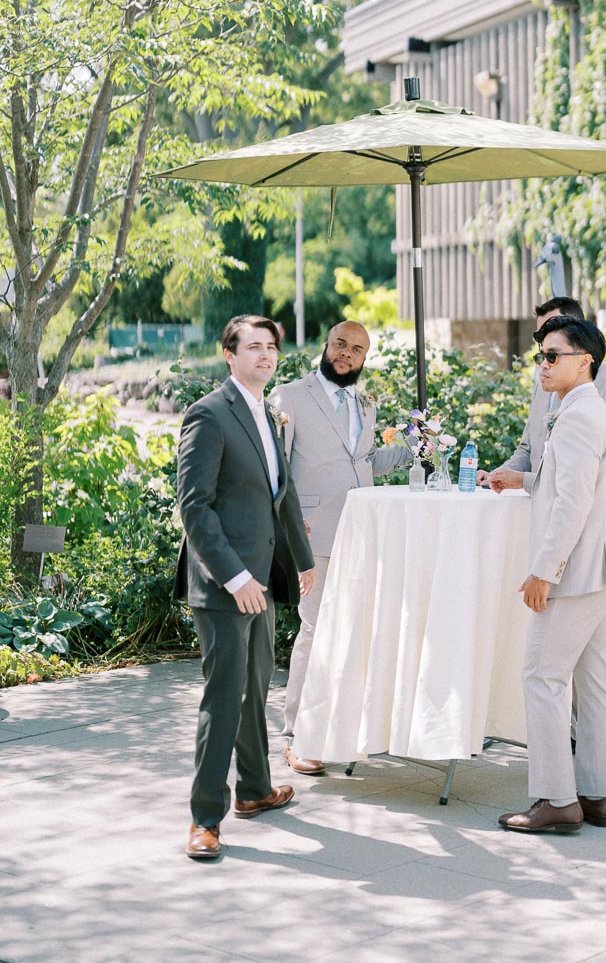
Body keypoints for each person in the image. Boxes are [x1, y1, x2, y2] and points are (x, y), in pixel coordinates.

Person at [488, 316, 606, 834]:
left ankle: (556, 800)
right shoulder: (593, 414)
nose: (543, 366)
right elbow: (574, 484)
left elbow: (573, 503)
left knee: (542, 677)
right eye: (541, 357)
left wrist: (543, 572)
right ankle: (597, 796)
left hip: (578, 572)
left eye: (553, 356)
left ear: (585, 361)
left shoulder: (576, 417)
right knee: (596, 682)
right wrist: (523, 478)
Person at [176, 314, 316, 862]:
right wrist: (235, 578)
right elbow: (194, 507)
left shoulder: (269, 414)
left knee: (256, 689)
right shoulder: (209, 414)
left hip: (262, 581)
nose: (264, 354)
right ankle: (205, 819)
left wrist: (301, 562)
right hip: (224, 585)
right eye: (252, 346)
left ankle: (254, 790)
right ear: (229, 356)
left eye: (270, 347)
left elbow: (283, 495)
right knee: (225, 698)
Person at [275, 320, 410, 774]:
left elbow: (365, 461)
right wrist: (290, 530)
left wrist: (417, 447)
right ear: (325, 346)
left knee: (354, 635)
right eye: (340, 344)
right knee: (314, 632)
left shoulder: (365, 403)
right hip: (314, 533)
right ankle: (295, 736)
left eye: (357, 349)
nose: (346, 354)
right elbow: (275, 471)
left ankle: (341, 728)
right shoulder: (291, 396)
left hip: (363, 532)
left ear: (364, 358)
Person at [477, 296, 606, 489]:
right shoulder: (545, 382)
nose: (545, 340)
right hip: (537, 505)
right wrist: (495, 477)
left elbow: (604, 460)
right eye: (540, 335)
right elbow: (528, 450)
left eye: (552, 329)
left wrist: (524, 481)